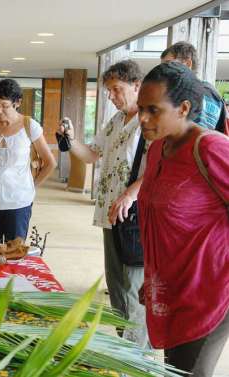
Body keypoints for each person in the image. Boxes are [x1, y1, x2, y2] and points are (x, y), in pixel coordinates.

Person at [137, 61, 229, 377]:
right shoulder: (157, 150)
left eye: (153, 109)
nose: (142, 119)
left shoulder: (211, 148)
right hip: (170, 287)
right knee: (173, 368)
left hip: (209, 290)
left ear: (184, 108)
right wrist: (152, 278)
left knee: (189, 373)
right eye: (140, 109)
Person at [57, 60, 150, 347]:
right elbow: (91, 155)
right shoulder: (114, 122)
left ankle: (137, 356)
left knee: (135, 288)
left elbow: (157, 169)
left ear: (137, 86)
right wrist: (70, 141)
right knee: (117, 287)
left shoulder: (148, 122)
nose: (111, 96)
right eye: (109, 90)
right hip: (110, 214)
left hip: (134, 216)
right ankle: (125, 347)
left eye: (116, 90)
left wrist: (130, 194)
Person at [0, 79, 56, 243]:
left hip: (18, 202)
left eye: (4, 106)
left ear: (17, 103)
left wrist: (32, 185)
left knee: (14, 252)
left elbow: (50, 162)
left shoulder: (30, 126)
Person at [161, 41, 227, 133]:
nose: (162, 70)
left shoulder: (204, 92)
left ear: (187, 64)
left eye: (168, 64)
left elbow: (198, 136)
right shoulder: (186, 92)